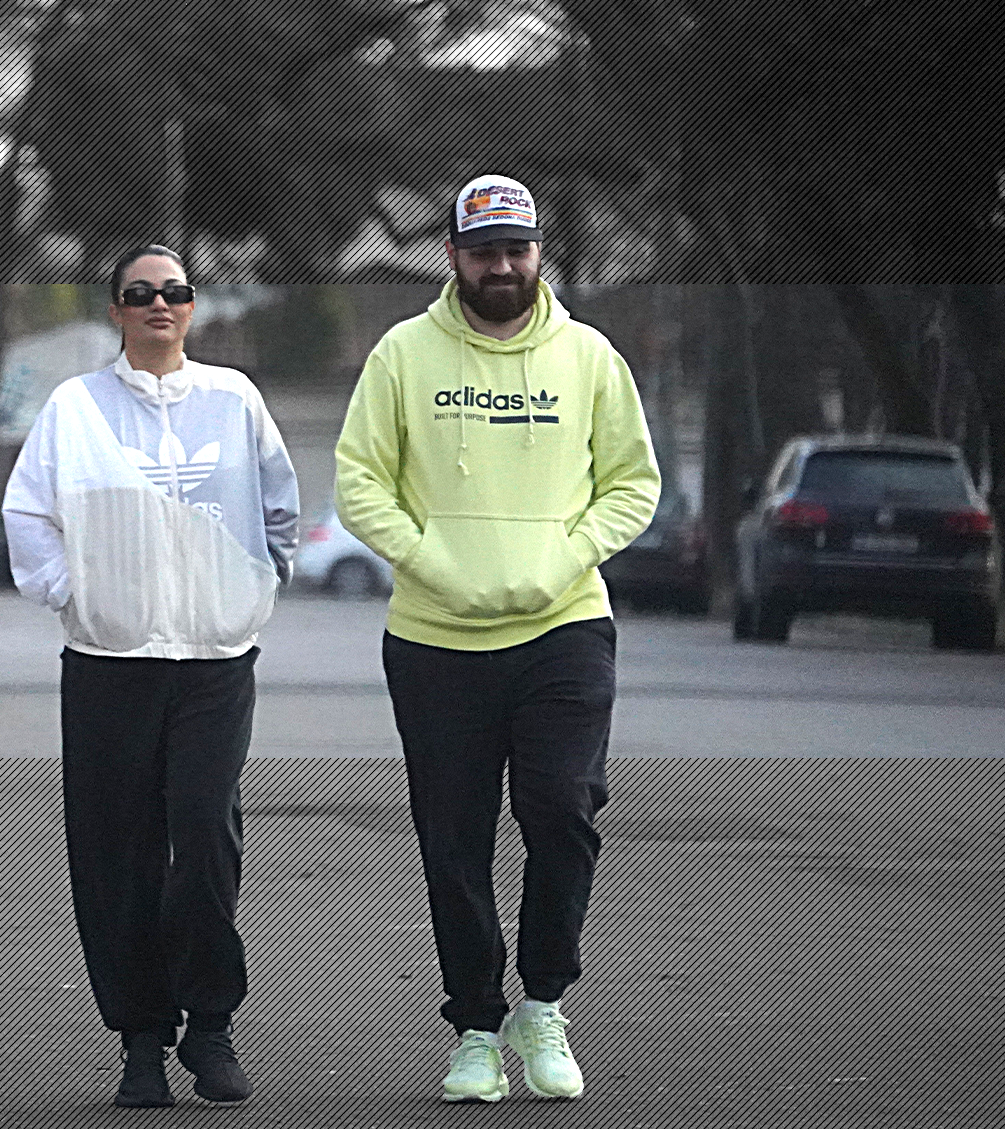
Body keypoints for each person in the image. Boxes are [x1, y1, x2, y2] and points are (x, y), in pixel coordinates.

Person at [334, 176, 661, 1103]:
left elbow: (632, 484)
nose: (502, 266)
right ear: (453, 257)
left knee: (562, 811)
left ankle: (543, 1003)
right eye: (484, 252)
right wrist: (430, 560)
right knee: (454, 836)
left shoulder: (588, 356)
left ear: (537, 253)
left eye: (516, 249)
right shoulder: (402, 354)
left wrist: (566, 555)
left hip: (562, 624)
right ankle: (476, 1026)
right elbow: (360, 483)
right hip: (434, 637)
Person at [2, 245, 299, 1108]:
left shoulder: (233, 399)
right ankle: (140, 1040)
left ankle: (210, 1024)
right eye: (140, 293)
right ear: (116, 311)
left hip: (214, 659)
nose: (158, 304)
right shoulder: (75, 407)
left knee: (205, 834)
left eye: (174, 291)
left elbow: (279, 504)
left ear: (192, 307)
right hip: (110, 663)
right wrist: (75, 592)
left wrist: (253, 584)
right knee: (116, 852)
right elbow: (27, 512)